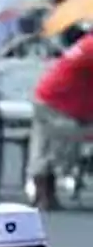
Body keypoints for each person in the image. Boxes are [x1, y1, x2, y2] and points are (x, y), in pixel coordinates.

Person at [29, 30, 93, 209]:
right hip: (59, 103)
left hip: (56, 99)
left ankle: (44, 192)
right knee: (58, 145)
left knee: (45, 144)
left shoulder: (86, 43)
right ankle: (44, 190)